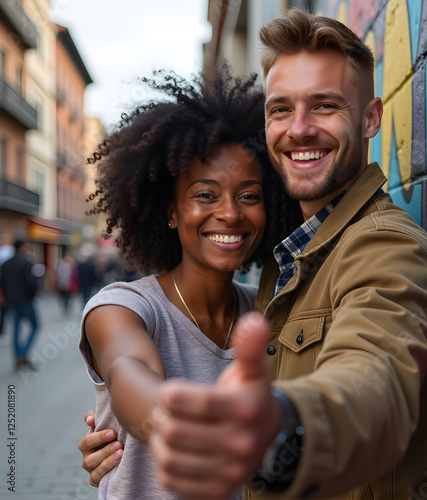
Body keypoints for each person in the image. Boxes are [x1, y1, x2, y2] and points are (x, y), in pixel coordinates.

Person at [81, 9, 427, 499]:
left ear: (370, 119)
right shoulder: (284, 270)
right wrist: (132, 432)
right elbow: (131, 372)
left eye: (324, 106)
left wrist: (279, 427)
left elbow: (372, 382)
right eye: (280, 109)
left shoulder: (386, 247)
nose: (298, 129)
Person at [77, 63, 300, 499]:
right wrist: (175, 427)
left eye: (249, 196)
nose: (231, 213)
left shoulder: (272, 313)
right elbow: (128, 373)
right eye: (205, 194)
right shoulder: (121, 307)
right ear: (171, 211)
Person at [0, 240, 39, 369]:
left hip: (11, 301)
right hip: (25, 300)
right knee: (35, 325)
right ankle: (23, 354)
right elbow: (31, 283)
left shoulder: (5, 264)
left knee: (16, 329)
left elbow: (3, 284)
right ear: (22, 247)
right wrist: (32, 295)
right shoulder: (25, 262)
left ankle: (18, 357)